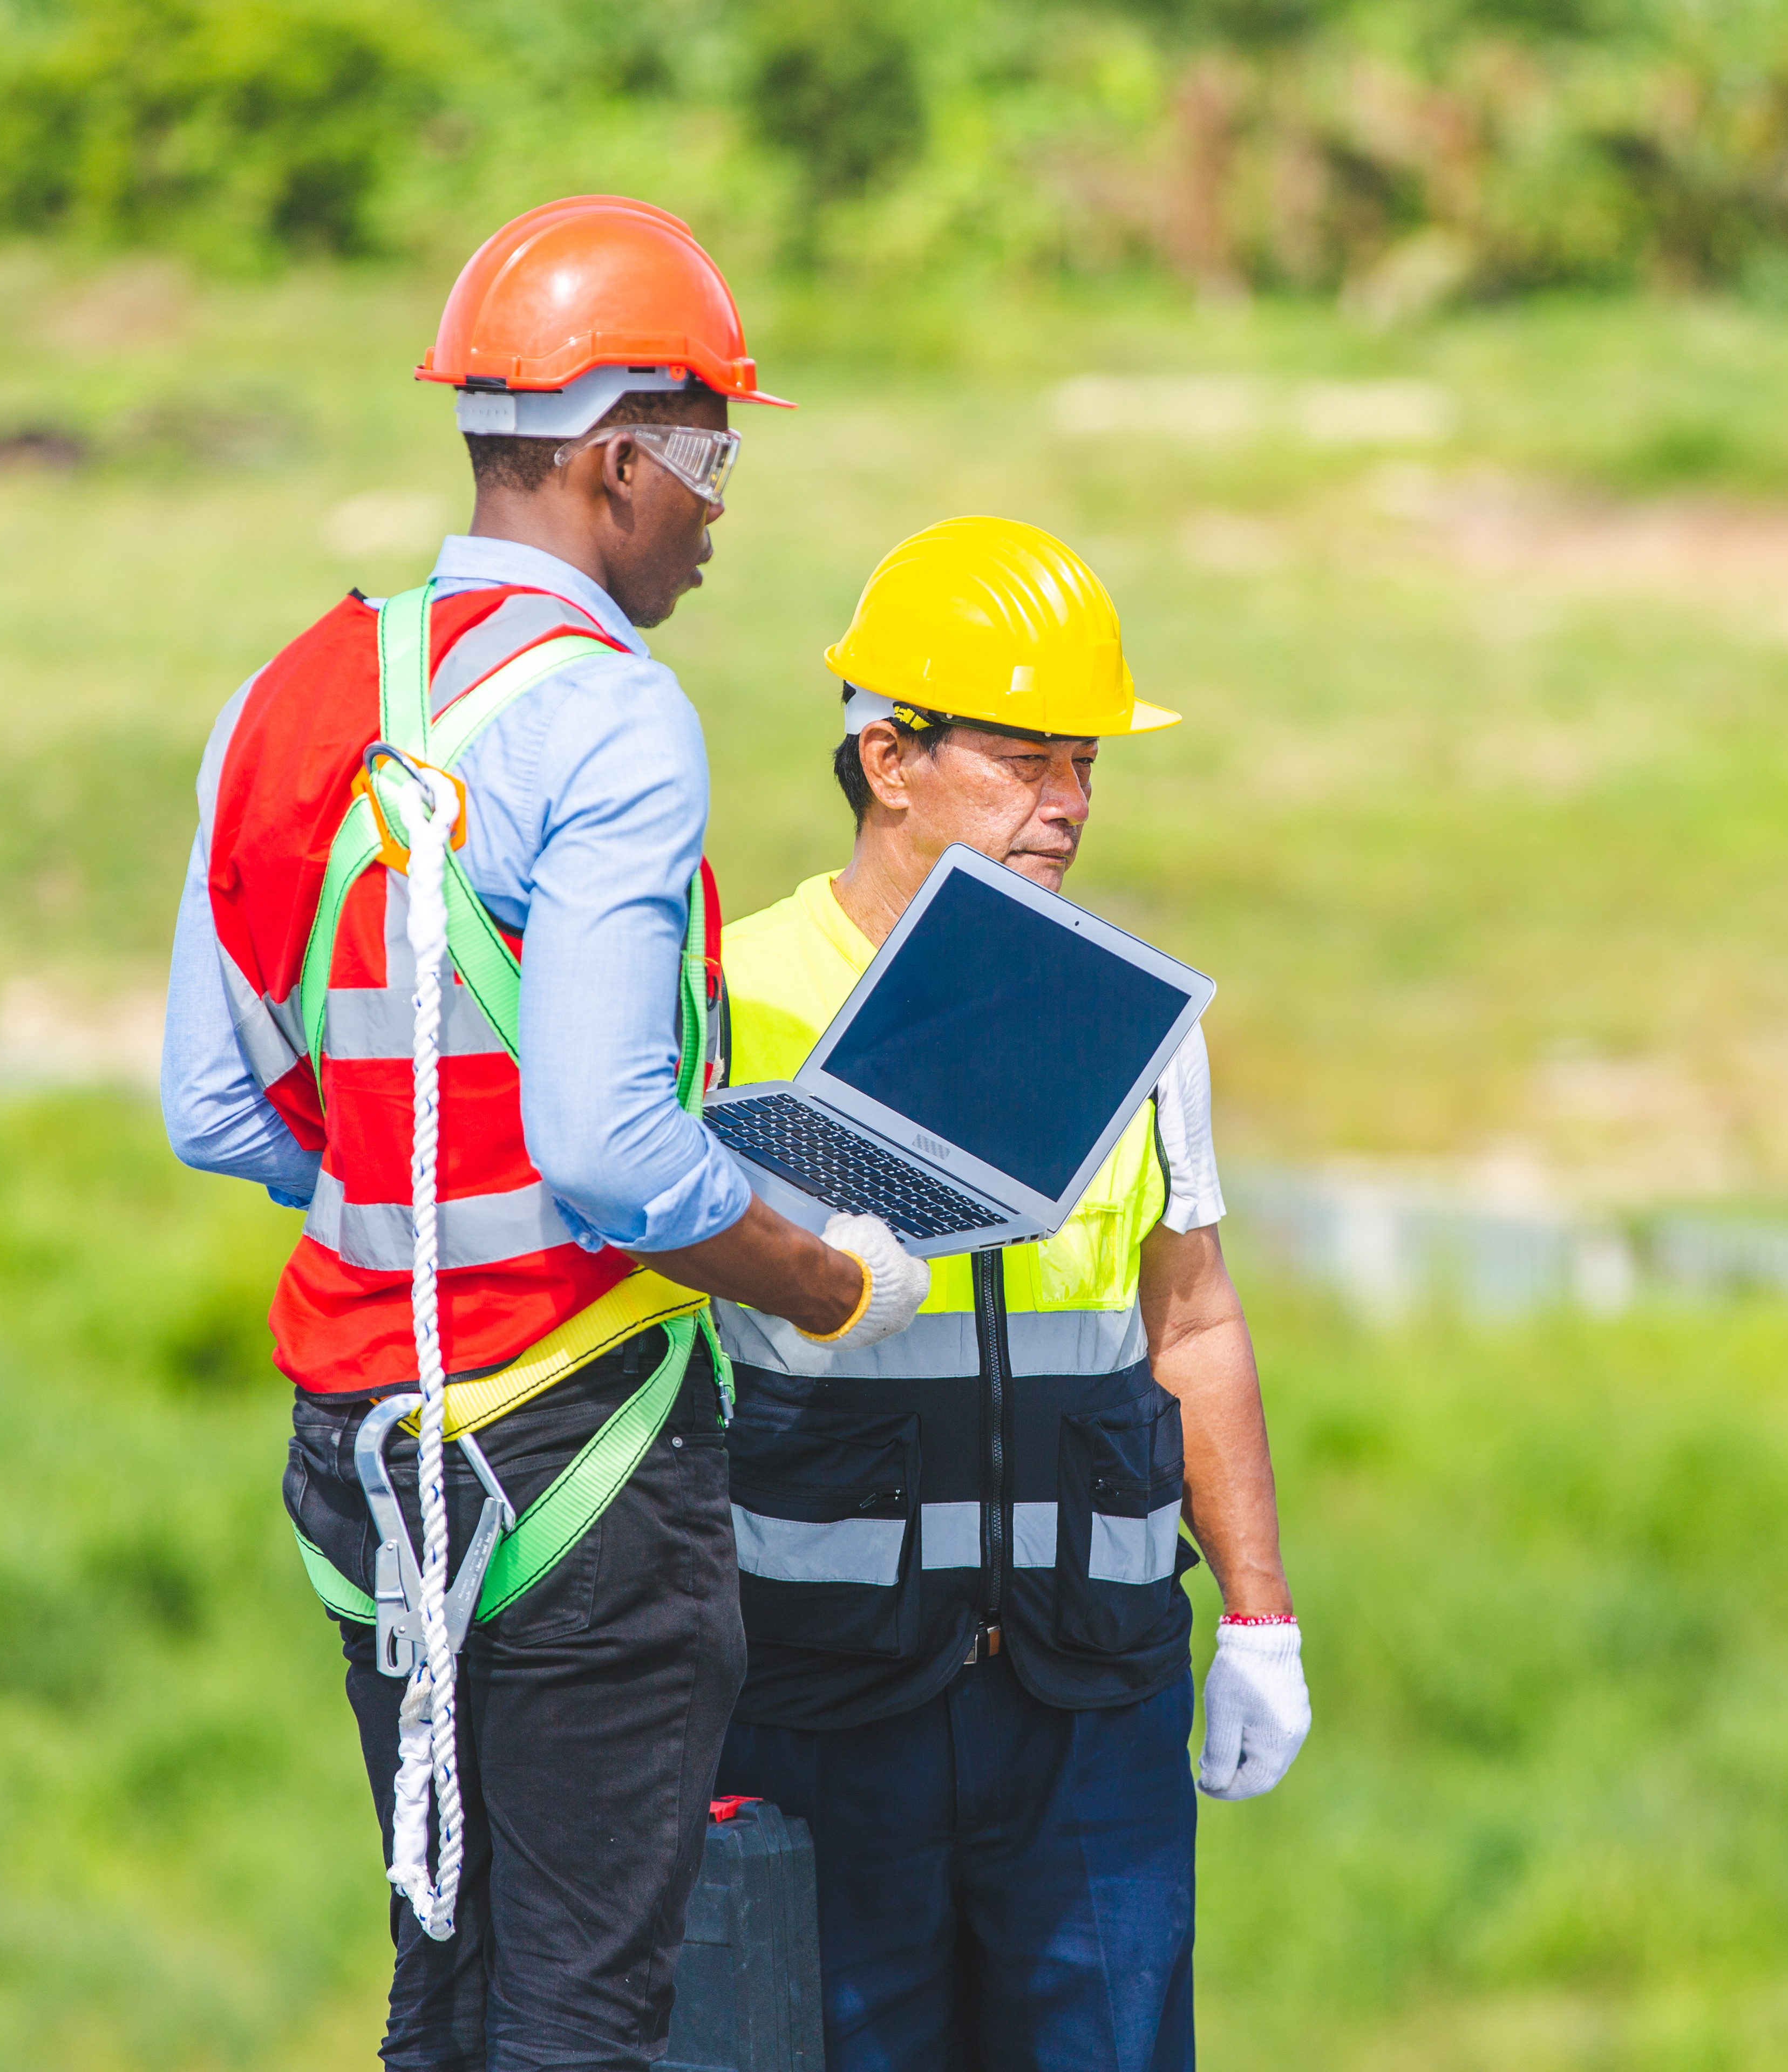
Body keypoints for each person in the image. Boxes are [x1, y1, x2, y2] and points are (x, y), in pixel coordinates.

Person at [158, 195, 928, 2072]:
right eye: (709, 457)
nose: (720, 510)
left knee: (452, 1990)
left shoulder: (285, 698)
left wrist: (423, 1193)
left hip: (367, 1459)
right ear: (610, 463)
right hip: (574, 1457)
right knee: (589, 2015)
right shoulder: (610, 721)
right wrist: (824, 1277)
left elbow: (216, 1103)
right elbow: (610, 1157)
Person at [709, 516, 1311, 2071]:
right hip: (822, 1701)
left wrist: (1259, 1616)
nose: (1068, 802)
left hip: (1088, 1696)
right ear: (887, 757)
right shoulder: (731, 989)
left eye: (1089, 763)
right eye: (1026, 757)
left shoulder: (1125, 1013)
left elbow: (1194, 1318)